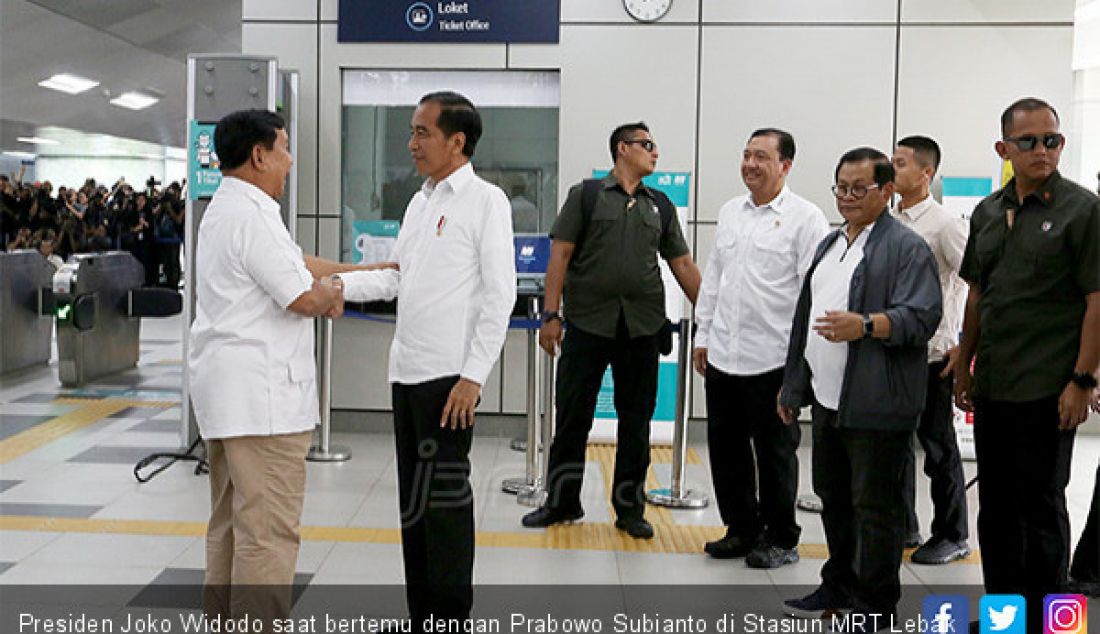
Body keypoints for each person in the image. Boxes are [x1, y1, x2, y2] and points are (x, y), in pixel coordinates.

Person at [339, 91, 516, 626]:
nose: (411, 142)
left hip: (449, 380)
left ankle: (450, 615)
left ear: (457, 141)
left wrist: (473, 377)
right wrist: (331, 285)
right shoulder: (420, 202)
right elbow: (397, 276)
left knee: (445, 505)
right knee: (413, 503)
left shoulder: (486, 201)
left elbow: (499, 292)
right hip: (407, 371)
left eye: (422, 132)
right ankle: (423, 615)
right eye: (412, 131)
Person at [187, 109, 345, 627]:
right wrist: (332, 294)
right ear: (259, 155)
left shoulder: (224, 209)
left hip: (230, 400)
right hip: (264, 407)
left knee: (230, 529)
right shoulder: (254, 213)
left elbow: (294, 264)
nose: (290, 160)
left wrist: (363, 271)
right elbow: (301, 293)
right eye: (283, 148)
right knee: (269, 535)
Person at [778, 148, 941, 631]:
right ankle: (839, 584)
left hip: (878, 404)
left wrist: (866, 325)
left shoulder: (907, 248)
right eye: (840, 188)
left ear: (886, 191)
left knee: (877, 509)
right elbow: (804, 320)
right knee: (835, 496)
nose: (846, 198)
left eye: (858, 189)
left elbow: (921, 317)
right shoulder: (832, 245)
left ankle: (875, 604)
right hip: (830, 401)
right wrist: (793, 386)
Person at [954, 97, 1100, 631]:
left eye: (1052, 140)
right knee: (996, 510)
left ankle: (1051, 623)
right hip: (995, 384)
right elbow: (976, 296)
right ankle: (1004, 619)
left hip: (1049, 387)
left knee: (1042, 510)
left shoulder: (1083, 210)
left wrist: (1083, 380)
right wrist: (965, 363)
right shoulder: (989, 212)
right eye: (1030, 142)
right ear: (1004, 149)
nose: (1043, 151)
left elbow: (1097, 301)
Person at [521, 122, 701, 540]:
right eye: (648, 145)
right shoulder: (585, 196)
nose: (656, 153)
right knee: (572, 417)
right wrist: (551, 316)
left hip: (641, 327)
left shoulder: (660, 205)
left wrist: (711, 319)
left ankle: (629, 509)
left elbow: (684, 265)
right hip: (587, 324)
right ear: (623, 149)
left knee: (635, 422)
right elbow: (560, 256)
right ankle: (562, 502)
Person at [693, 128, 829, 566]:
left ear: (785, 165)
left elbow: (815, 293)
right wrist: (703, 335)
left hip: (773, 359)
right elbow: (714, 279)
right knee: (726, 448)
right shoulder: (731, 212)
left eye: (761, 157)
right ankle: (741, 529)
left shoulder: (806, 218)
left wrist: (803, 365)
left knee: (775, 455)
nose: (750, 164)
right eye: (746, 155)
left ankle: (781, 538)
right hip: (725, 356)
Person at [890, 136, 971, 565]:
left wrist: (962, 344)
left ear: (926, 174)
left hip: (934, 354)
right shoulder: (890, 221)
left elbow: (977, 282)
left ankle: (953, 533)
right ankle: (905, 526)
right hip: (894, 352)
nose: (892, 170)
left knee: (938, 447)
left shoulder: (945, 224)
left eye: (900, 164)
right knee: (897, 444)